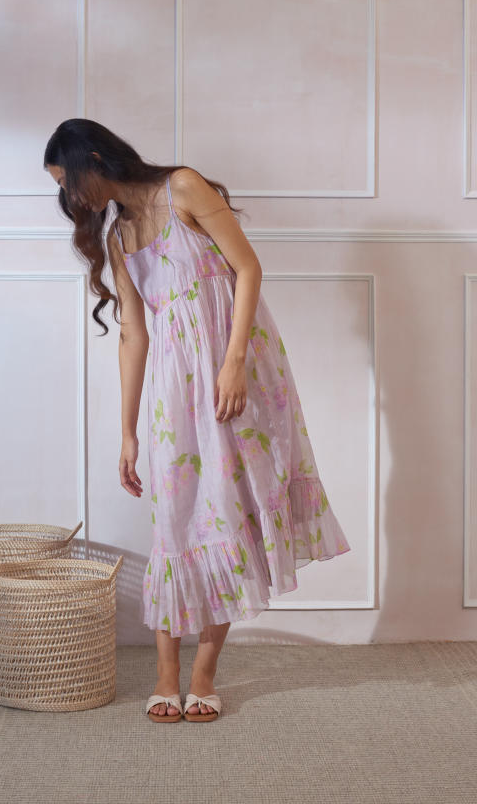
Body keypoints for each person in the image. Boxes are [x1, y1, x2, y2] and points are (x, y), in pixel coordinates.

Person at [44, 118, 351, 723]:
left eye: (66, 181)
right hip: (175, 390)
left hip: (237, 374)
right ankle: (166, 676)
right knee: (176, 525)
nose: (67, 197)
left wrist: (234, 364)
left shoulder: (183, 187)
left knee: (228, 514)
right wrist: (128, 432)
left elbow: (248, 268)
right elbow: (133, 335)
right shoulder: (118, 237)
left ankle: (204, 676)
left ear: (94, 160)